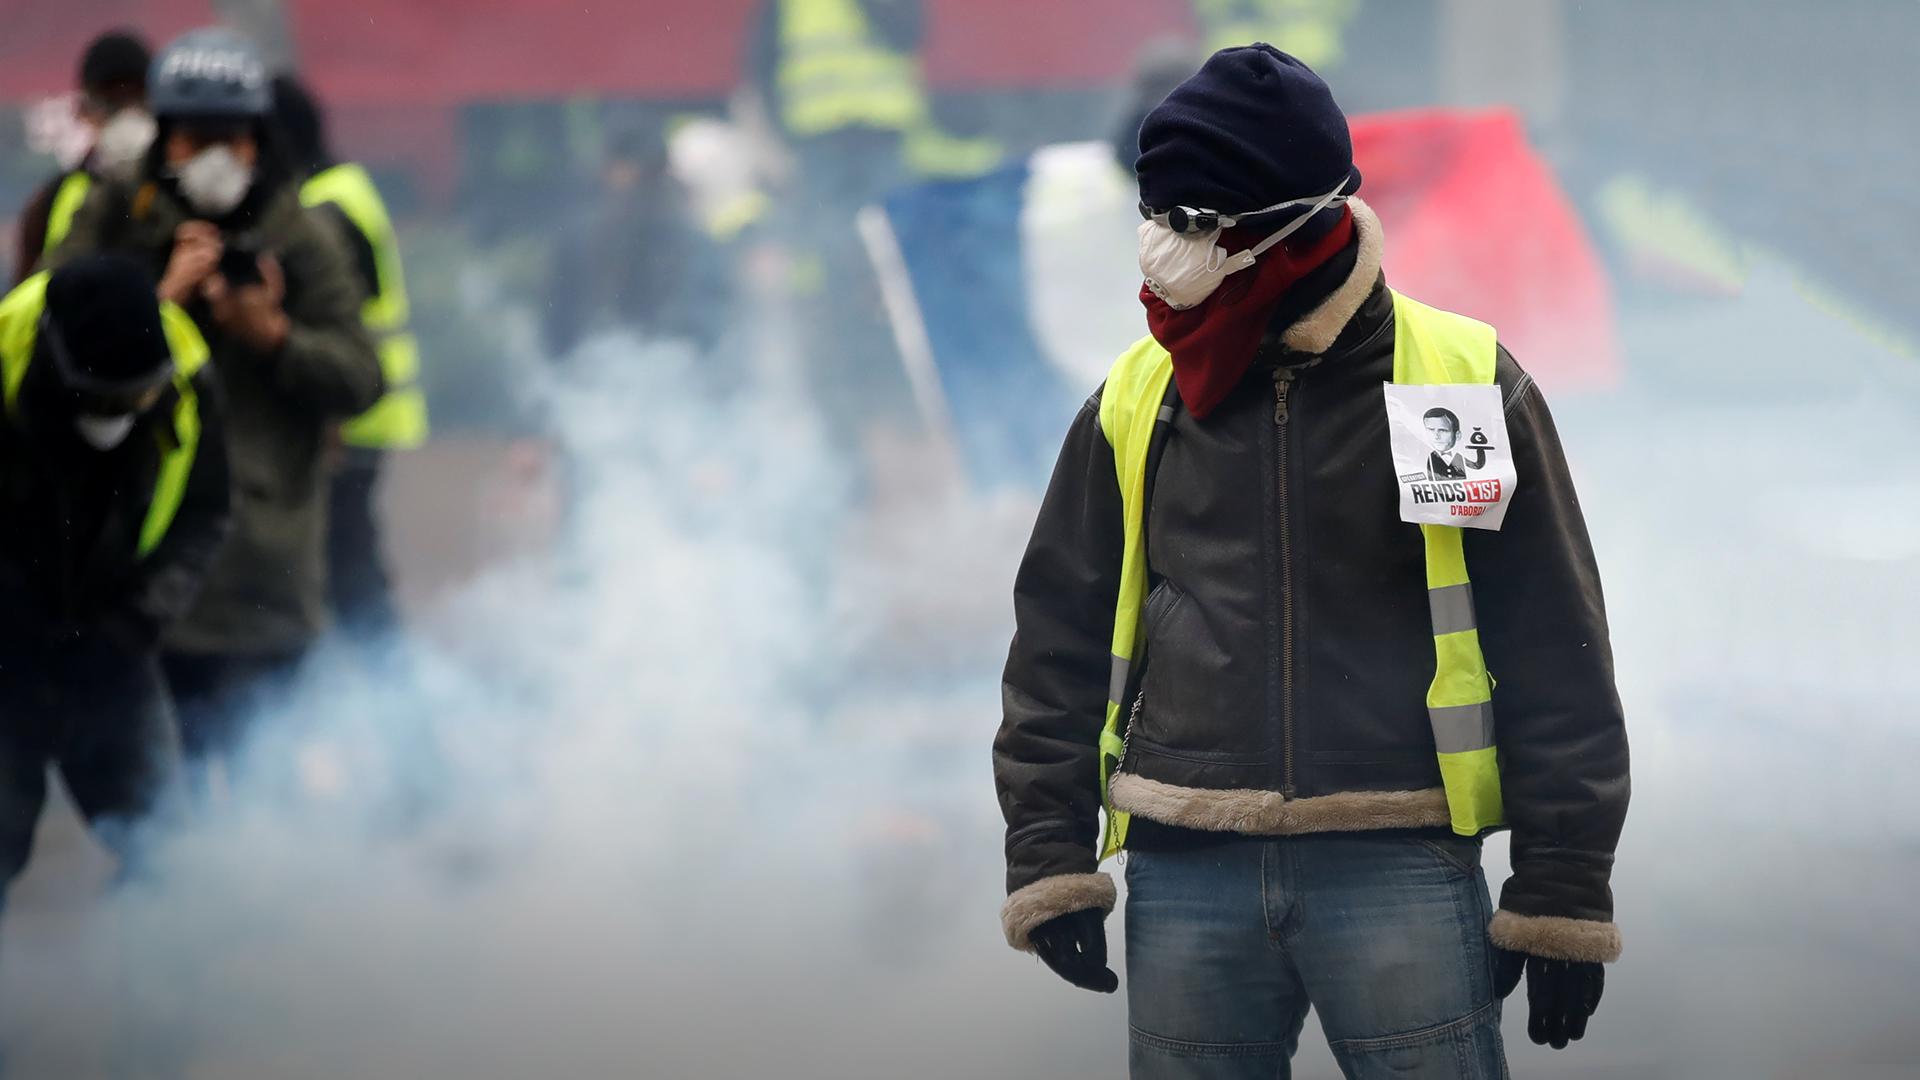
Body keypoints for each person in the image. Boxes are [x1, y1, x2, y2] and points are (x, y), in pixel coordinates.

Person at [993, 46, 1629, 1077]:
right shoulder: (1141, 394)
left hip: (1398, 863)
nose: (1160, 248)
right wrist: (1048, 859)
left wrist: (1561, 890)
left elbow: (1551, 643)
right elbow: (1057, 640)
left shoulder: (1446, 387)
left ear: (1287, 224)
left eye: (1193, 224)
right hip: (1184, 867)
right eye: (1155, 216)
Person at [49, 27, 383, 778]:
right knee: (160, 797)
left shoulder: (299, 233)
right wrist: (154, 303)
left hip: (266, 571)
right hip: (143, 575)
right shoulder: (113, 219)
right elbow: (48, 342)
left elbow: (360, 377)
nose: (213, 158)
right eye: (195, 137)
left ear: (258, 140)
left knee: (265, 782)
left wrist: (274, 337)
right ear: (164, 138)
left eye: (232, 139)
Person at [0, 255, 230, 899]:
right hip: (6, 663)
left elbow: (206, 513)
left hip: (113, 649)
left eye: (137, 397)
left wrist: (137, 620)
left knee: (169, 856)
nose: (122, 411)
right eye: (105, 398)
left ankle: (165, 995)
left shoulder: (184, 375)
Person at [272, 74, 423, 641]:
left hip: (351, 422)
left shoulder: (324, 209)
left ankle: (397, 707)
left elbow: (335, 329)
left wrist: (330, 418)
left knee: (350, 575)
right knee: (349, 570)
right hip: (366, 418)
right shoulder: (346, 189)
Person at [541, 121, 727, 359]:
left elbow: (709, 320)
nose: (637, 183)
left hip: (667, 374)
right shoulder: (579, 238)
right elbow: (557, 321)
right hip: (597, 375)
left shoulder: (693, 243)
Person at [12, 30, 156, 285]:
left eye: (137, 96)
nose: (126, 112)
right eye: (111, 99)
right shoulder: (53, 200)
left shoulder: (179, 188)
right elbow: (26, 300)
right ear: (84, 110)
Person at [1424, 405, 1467, 479]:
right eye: (1431, 430)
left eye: (1443, 430)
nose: (1436, 436)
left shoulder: (1463, 456)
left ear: (1458, 435)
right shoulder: (1430, 457)